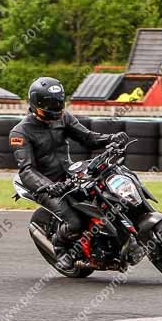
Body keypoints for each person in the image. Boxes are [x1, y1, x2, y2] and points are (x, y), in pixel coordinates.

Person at [9, 77, 129, 271]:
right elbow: (27, 170)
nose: (55, 109)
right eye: (50, 105)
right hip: (44, 185)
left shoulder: (62, 117)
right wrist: (48, 186)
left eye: (58, 103)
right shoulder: (20, 132)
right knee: (75, 221)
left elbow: (88, 138)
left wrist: (111, 138)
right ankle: (60, 248)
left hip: (70, 176)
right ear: (36, 103)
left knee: (107, 194)